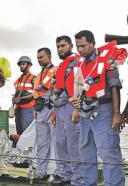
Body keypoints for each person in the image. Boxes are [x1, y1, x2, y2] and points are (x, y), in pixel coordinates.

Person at [68, 30, 127, 186]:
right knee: (85, 152)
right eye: (77, 46)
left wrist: (116, 114)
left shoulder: (107, 59)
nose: (80, 49)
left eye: (83, 46)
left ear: (93, 43)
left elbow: (115, 87)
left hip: (104, 110)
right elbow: (79, 90)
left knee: (108, 152)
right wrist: (75, 109)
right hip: (85, 112)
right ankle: (89, 183)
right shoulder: (79, 64)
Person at [51, 36, 83, 186]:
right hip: (59, 108)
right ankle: (66, 174)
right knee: (60, 142)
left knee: (73, 143)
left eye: (63, 45)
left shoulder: (78, 61)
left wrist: (77, 108)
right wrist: (53, 112)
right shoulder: (60, 66)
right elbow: (56, 89)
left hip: (72, 106)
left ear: (71, 45)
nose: (60, 49)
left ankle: (78, 178)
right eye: (58, 46)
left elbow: (81, 86)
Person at [32, 47, 56, 181]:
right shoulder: (38, 75)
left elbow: (58, 90)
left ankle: (62, 173)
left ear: (49, 56)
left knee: (59, 142)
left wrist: (56, 110)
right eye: (37, 58)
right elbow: (36, 93)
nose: (39, 60)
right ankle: (42, 172)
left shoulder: (56, 70)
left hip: (52, 107)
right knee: (42, 142)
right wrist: (35, 108)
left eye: (41, 57)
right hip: (40, 109)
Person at [13, 56, 36, 135]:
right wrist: (14, 98)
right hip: (19, 108)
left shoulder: (33, 78)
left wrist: (21, 98)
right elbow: (17, 92)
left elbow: (36, 94)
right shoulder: (17, 80)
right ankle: (21, 147)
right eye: (20, 65)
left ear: (29, 65)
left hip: (28, 108)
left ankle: (28, 147)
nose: (21, 66)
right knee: (19, 130)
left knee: (27, 131)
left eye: (23, 64)